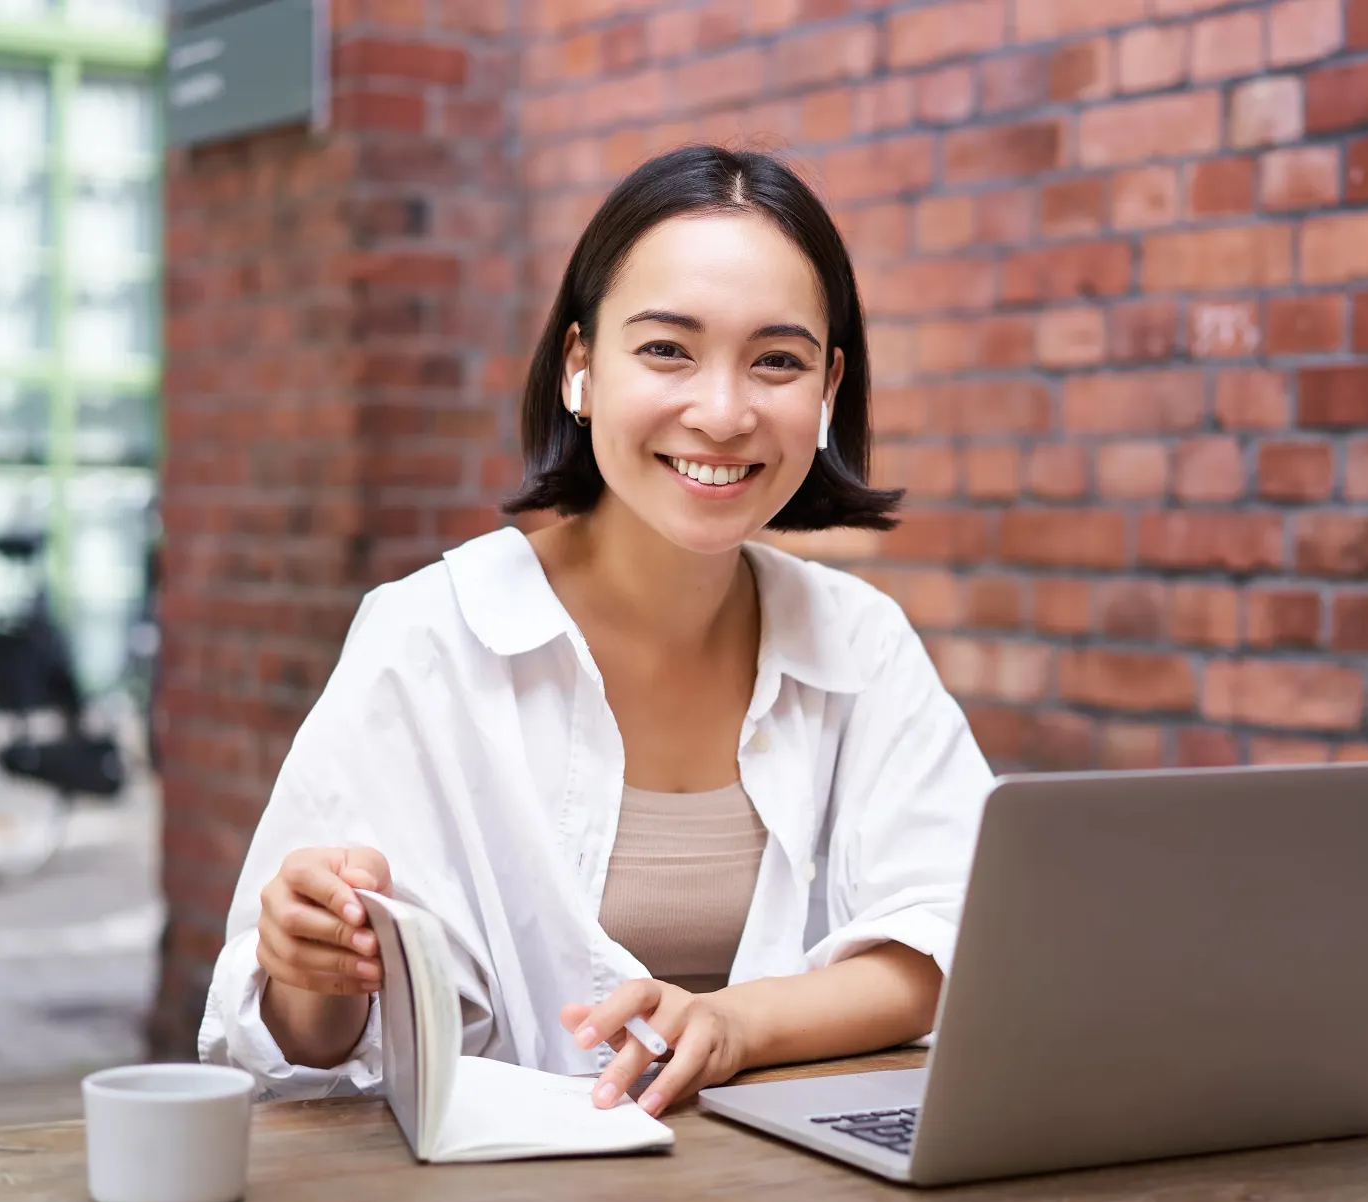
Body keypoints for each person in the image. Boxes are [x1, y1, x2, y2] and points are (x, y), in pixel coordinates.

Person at [199, 144, 994, 1118]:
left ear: (827, 388)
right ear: (580, 365)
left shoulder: (861, 643)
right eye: (667, 348)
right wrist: (311, 969)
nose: (723, 409)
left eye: (776, 360)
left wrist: (738, 1022)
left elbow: (956, 941)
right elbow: (294, 1054)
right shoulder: (427, 637)